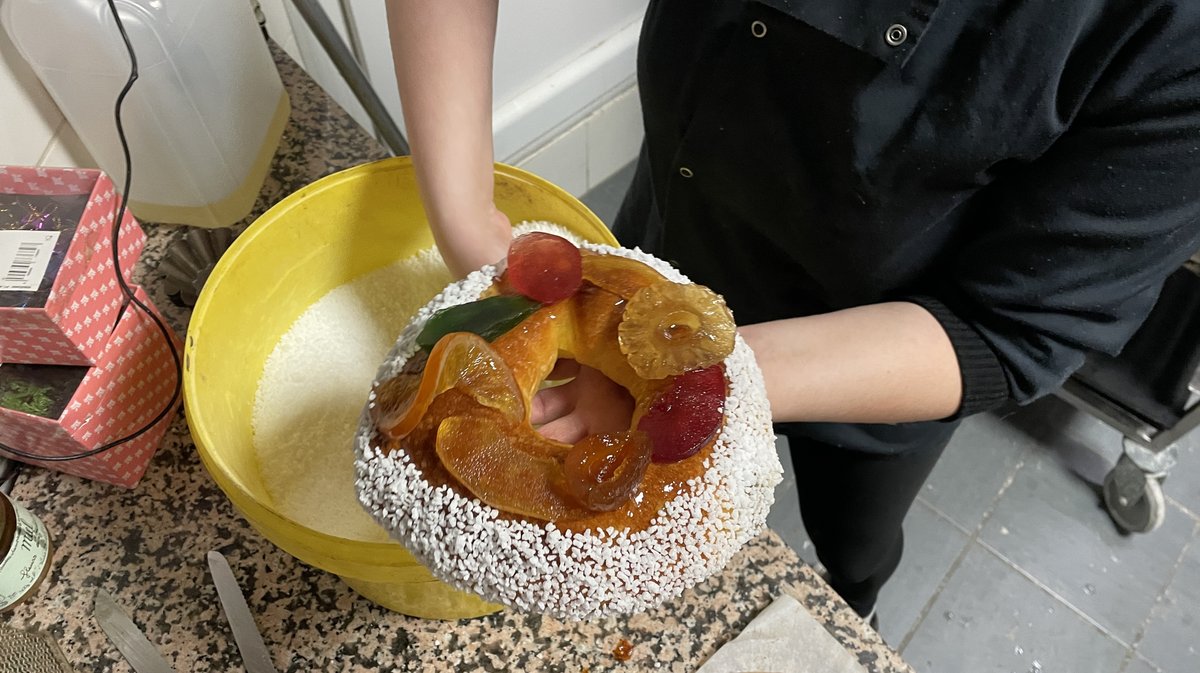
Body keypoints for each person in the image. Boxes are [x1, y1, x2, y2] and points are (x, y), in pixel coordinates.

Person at [385, 0, 1200, 626]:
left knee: (855, 534)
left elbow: (1018, 330)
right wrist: (464, 213)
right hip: (669, 253)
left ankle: (854, 600)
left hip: (890, 349)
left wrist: (688, 390)